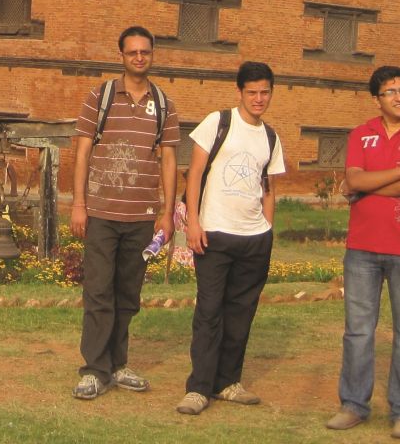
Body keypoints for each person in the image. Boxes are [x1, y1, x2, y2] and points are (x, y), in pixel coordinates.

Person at [325, 65, 400, 440]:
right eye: (391, 91)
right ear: (377, 98)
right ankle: (353, 405)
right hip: (361, 249)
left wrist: (364, 187)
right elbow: (352, 179)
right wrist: (398, 173)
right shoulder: (362, 134)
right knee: (358, 331)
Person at [70, 25, 180, 401]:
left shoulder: (163, 104)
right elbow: (83, 151)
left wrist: (167, 213)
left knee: (128, 294)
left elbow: (168, 158)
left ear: (152, 55)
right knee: (99, 291)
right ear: (121, 55)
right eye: (132, 52)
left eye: (144, 52)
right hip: (101, 211)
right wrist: (79, 204)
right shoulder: (99, 98)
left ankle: (117, 364)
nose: (139, 58)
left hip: (142, 215)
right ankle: (95, 369)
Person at [175, 61, 285, 416]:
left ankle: (227, 381)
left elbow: (268, 188)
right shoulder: (218, 122)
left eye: (264, 92)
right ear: (240, 92)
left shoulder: (270, 136)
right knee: (209, 311)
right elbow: (193, 174)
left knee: (241, 313)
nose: (258, 98)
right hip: (215, 233)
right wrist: (193, 222)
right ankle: (199, 387)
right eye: (252, 92)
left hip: (253, 239)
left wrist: (267, 230)